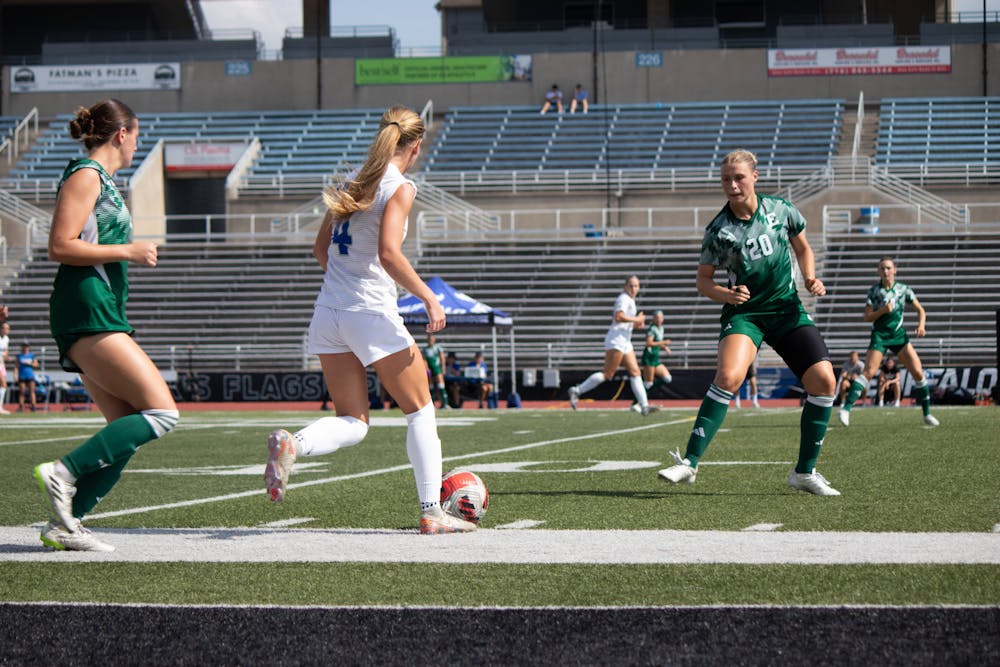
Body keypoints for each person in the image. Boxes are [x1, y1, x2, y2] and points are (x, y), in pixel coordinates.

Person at [263, 105, 476, 534]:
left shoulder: (352, 181)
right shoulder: (401, 186)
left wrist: (347, 283)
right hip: (369, 312)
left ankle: (295, 444)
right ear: (415, 147)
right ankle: (432, 512)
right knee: (420, 411)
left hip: (328, 312)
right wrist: (430, 298)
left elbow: (320, 251)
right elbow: (388, 254)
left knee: (354, 422)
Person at [33, 99, 179, 552]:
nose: (138, 142)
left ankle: (67, 524)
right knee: (162, 413)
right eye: (137, 134)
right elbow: (60, 245)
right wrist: (128, 251)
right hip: (87, 308)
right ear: (122, 134)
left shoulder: (105, 182)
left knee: (126, 428)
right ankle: (65, 471)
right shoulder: (85, 175)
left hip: (100, 308)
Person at [658, 149, 840, 496]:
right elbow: (703, 280)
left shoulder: (782, 210)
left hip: (787, 310)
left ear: (755, 177)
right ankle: (689, 463)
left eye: (738, 177)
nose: (732, 184)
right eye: (726, 179)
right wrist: (726, 296)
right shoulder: (718, 230)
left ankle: (804, 473)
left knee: (824, 381)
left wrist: (811, 278)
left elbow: (803, 248)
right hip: (746, 314)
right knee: (728, 376)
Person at [839, 257, 939, 427]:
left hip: (899, 336)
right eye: (882, 268)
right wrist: (883, 311)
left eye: (888, 268)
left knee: (918, 372)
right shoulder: (874, 291)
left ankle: (927, 414)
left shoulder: (903, 289)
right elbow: (867, 317)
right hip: (880, 335)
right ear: (878, 271)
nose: (886, 271)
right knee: (869, 371)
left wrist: (921, 325)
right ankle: (845, 409)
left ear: (895, 270)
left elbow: (920, 310)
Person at [568, 275, 653, 415]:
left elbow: (627, 321)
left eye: (636, 286)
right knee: (608, 374)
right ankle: (577, 390)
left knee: (636, 372)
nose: (633, 288)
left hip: (625, 341)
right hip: (616, 340)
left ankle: (644, 406)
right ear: (625, 286)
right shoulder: (623, 299)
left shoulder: (630, 300)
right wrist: (636, 319)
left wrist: (637, 323)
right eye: (631, 285)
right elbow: (618, 317)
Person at [633, 310, 672, 411]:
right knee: (648, 383)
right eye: (657, 317)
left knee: (667, 378)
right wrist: (664, 342)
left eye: (661, 317)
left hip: (655, 358)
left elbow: (657, 341)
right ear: (654, 319)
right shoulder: (652, 329)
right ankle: (635, 403)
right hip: (649, 357)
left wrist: (664, 347)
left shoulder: (661, 328)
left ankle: (642, 398)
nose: (659, 319)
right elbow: (649, 343)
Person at [422, 333, 449, 410]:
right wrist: (426, 369)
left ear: (434, 340)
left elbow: (442, 358)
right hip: (430, 369)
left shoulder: (437, 348)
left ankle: (445, 403)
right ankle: (432, 404)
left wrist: (443, 368)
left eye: (431, 339)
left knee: (441, 385)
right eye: (429, 339)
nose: (430, 341)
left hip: (437, 368)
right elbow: (424, 360)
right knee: (431, 387)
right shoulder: (425, 349)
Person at [16, 342, 40, 412]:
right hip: (21, 375)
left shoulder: (32, 355)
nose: (25, 348)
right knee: (22, 392)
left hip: (30, 375)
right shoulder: (19, 356)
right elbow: (16, 366)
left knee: (32, 391)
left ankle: (33, 406)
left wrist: (30, 363)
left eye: (26, 346)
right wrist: (15, 375)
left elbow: (36, 365)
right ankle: (20, 407)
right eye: (24, 346)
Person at [0, 322, 10, 414]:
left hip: (2, 364)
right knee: (3, 383)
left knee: (3, 385)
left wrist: (7, 357)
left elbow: (6, 352)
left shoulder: (6, 339)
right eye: (4, 328)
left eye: (7, 328)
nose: (6, 330)